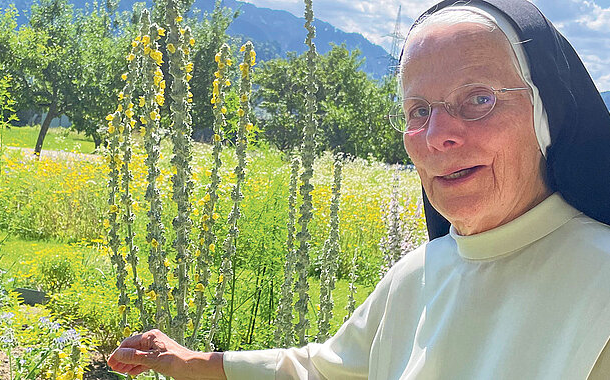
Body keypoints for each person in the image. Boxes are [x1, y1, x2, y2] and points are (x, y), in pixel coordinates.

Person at [107, 0, 610, 378]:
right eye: (419, 112)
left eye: (477, 98)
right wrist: (193, 363)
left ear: (547, 116)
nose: (438, 136)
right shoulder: (414, 275)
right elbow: (326, 371)